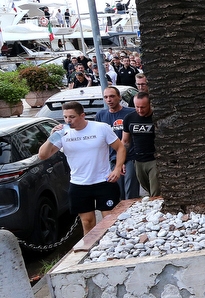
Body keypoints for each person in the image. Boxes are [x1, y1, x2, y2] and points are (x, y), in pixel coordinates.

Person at [38, 101, 126, 234]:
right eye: (65, 117)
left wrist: (117, 169)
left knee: (110, 219)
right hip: (79, 183)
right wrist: (51, 137)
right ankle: (91, 250)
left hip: (104, 180)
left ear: (82, 115)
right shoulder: (63, 133)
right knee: (87, 221)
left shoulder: (101, 128)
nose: (68, 120)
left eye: (72, 117)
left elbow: (120, 148)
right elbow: (43, 155)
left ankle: (113, 246)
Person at [95, 86, 139, 200]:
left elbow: (130, 139)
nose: (109, 99)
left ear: (119, 97)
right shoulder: (101, 115)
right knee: (118, 193)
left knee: (130, 191)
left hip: (131, 156)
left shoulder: (131, 113)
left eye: (112, 96)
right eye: (106, 97)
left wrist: (123, 161)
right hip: (112, 159)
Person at [122, 92, 159, 196]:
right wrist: (121, 161)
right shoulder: (129, 118)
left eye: (143, 107)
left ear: (150, 104)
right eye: (137, 107)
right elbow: (125, 141)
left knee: (155, 191)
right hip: (138, 160)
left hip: (154, 159)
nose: (139, 110)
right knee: (146, 188)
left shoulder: (157, 118)